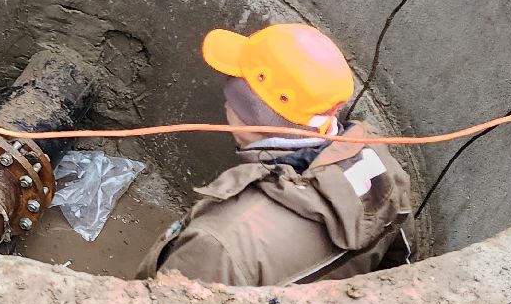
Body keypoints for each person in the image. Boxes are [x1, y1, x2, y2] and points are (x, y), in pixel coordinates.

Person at [140, 23, 413, 287]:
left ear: (253, 112)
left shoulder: (220, 244)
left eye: (234, 82)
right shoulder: (382, 167)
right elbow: (397, 268)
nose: (226, 98)